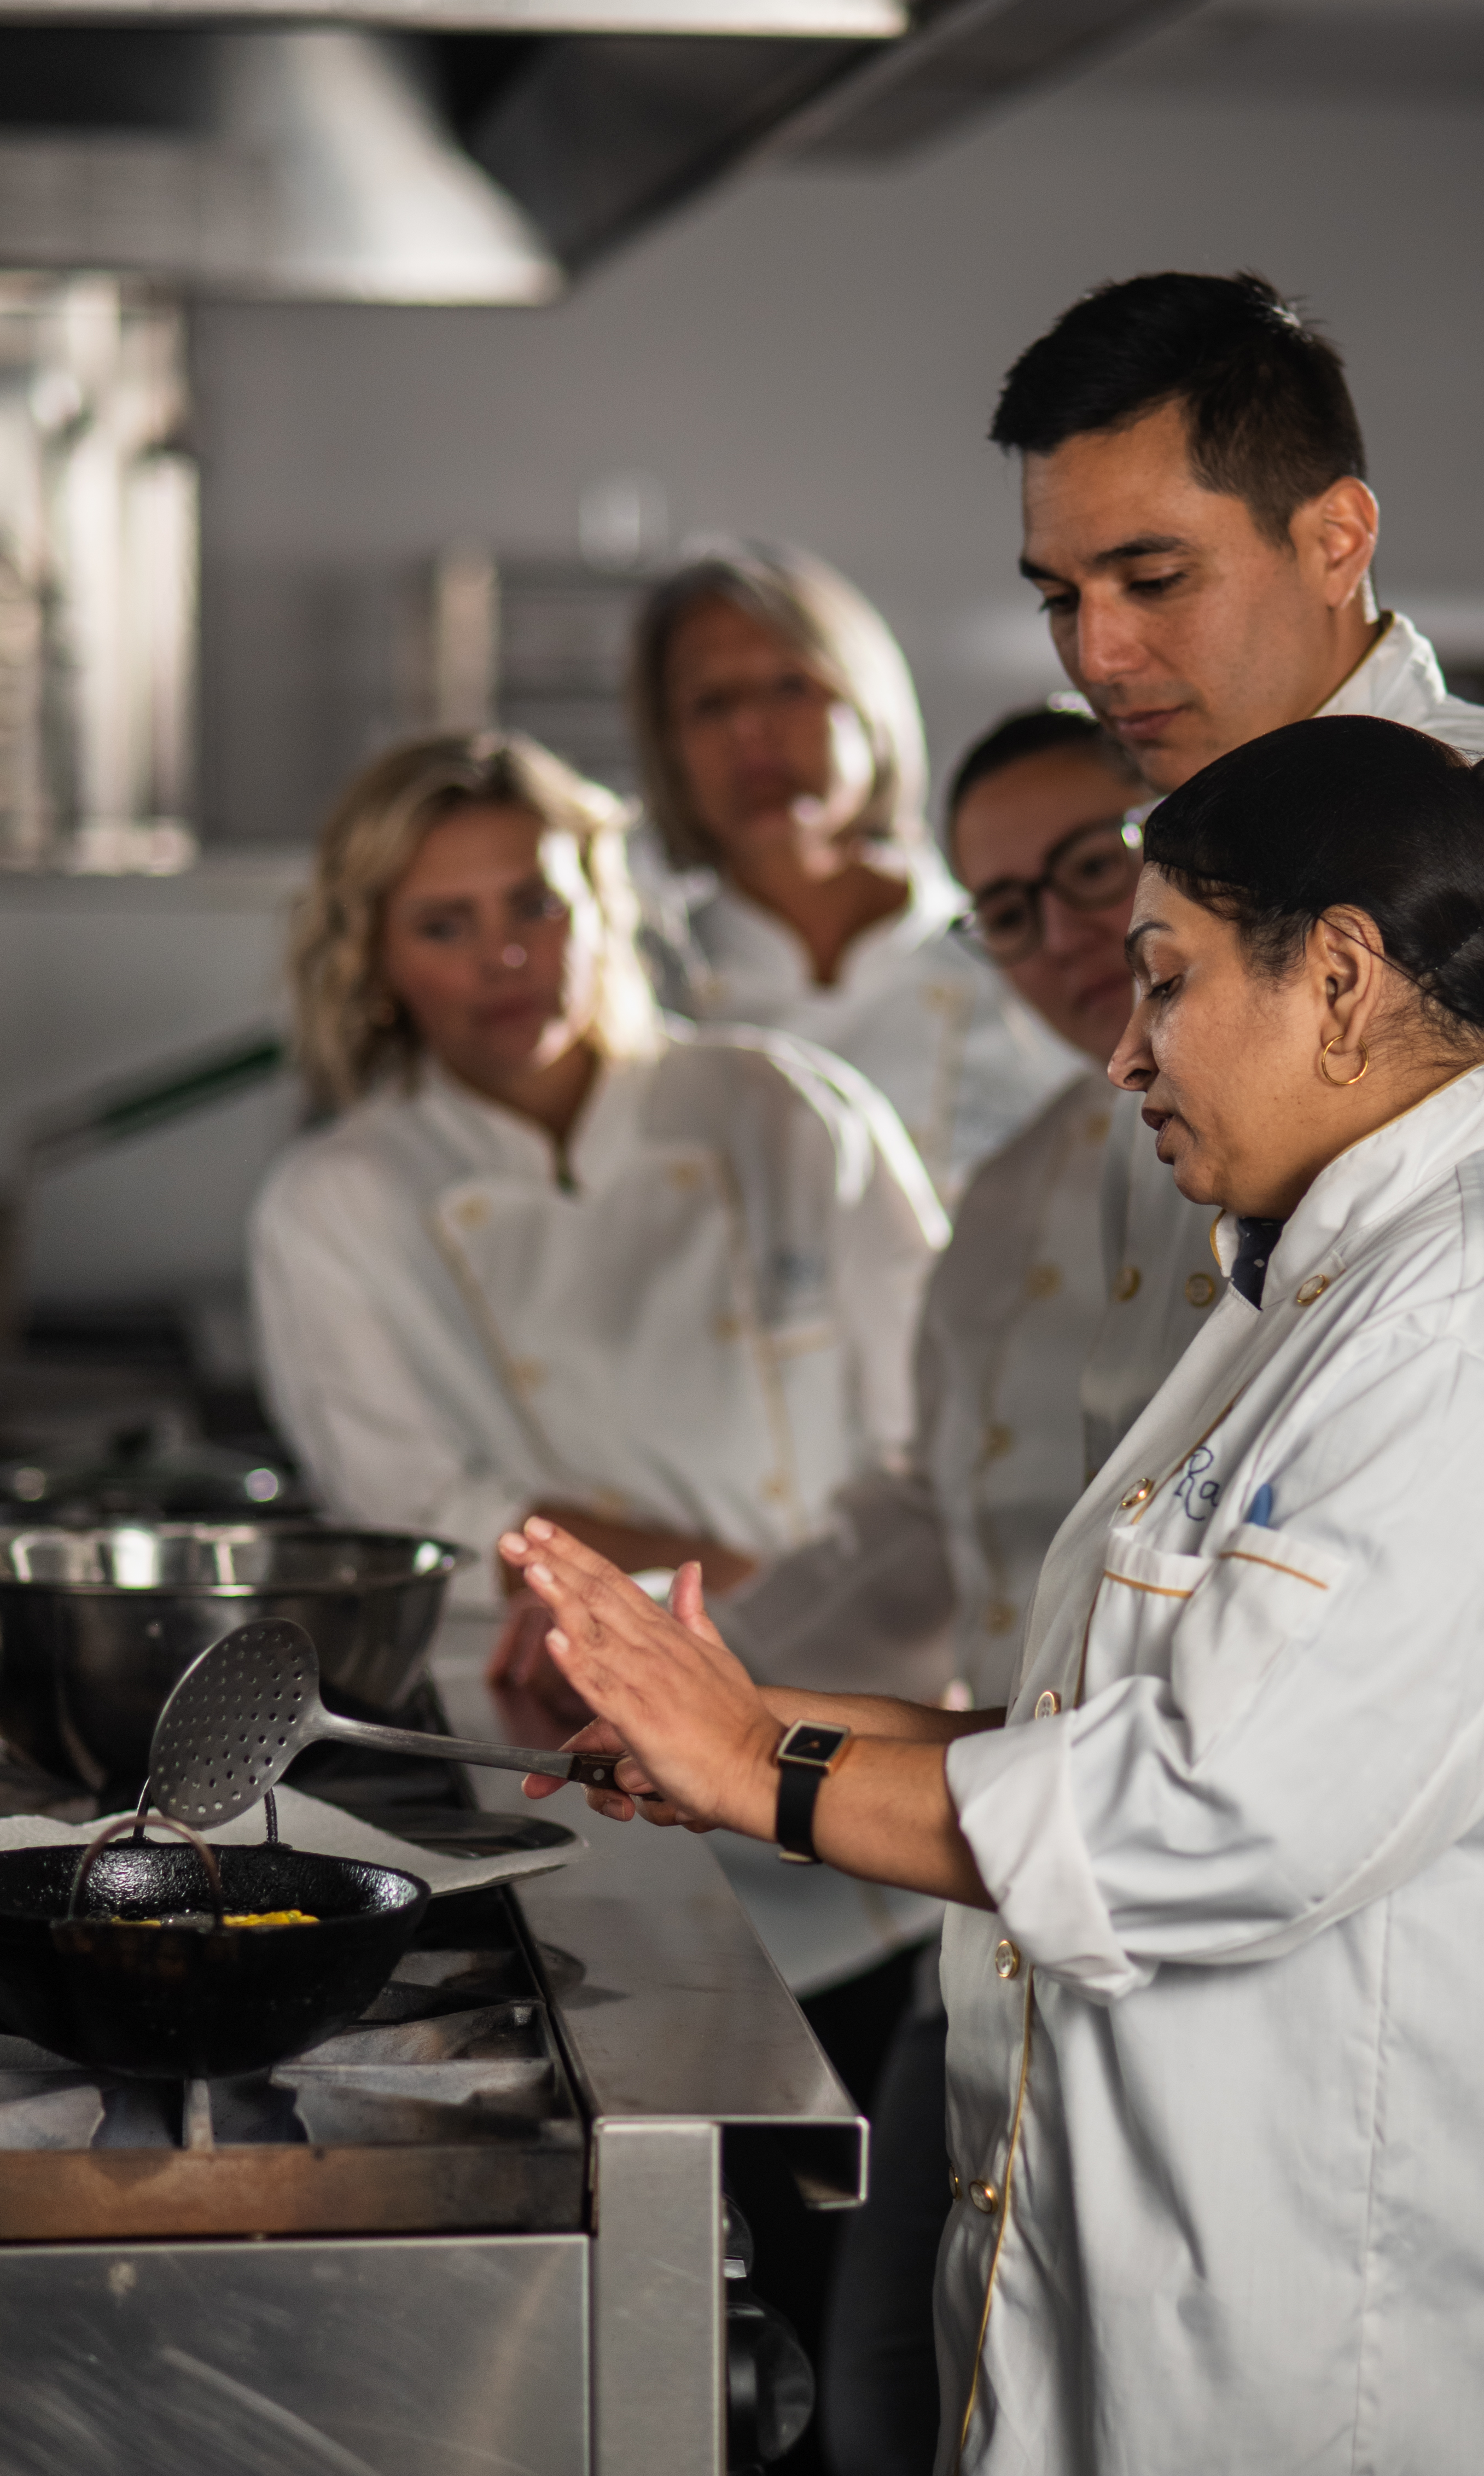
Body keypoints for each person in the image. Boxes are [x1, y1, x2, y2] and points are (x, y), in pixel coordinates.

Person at [507, 716, 1484, 2476]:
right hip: (1217, 2348)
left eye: (1164, 976)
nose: (1121, 1044)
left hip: (1362, 2441)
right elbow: (1112, 1706)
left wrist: (760, 1761)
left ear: (1335, 973)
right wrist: (750, 1730)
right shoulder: (1341, 1278)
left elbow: (1205, 1807)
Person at [990, 271, 1484, 1911]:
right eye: (1060, 595)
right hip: (1202, 1802)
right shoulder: (1207, 857)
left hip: (1481, 1842)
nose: (1099, 653)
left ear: (1336, 538)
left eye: (1151, 577)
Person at [248, 727, 948, 2000]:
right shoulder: (338, 1197)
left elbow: (936, 1441)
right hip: (575, 1793)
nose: (504, 956)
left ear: (603, 902)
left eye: (532, 902)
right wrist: (714, 1606)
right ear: (374, 957)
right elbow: (429, 1514)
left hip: (880, 1784)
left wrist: (758, 1628)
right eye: (442, 924)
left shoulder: (790, 1110)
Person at [713, 701, 1212, 1711]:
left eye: (1088, 867)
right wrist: (706, 1654)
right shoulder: (1004, 1198)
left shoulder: (1283, 1158)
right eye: (1006, 911)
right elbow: (936, 1516)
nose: (1060, 935)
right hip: (1016, 1789)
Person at [628, 541, 1078, 1204]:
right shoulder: (640, 997)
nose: (750, 729)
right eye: (710, 704)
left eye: (789, 686)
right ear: (667, 747)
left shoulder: (1031, 956)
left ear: (869, 706)